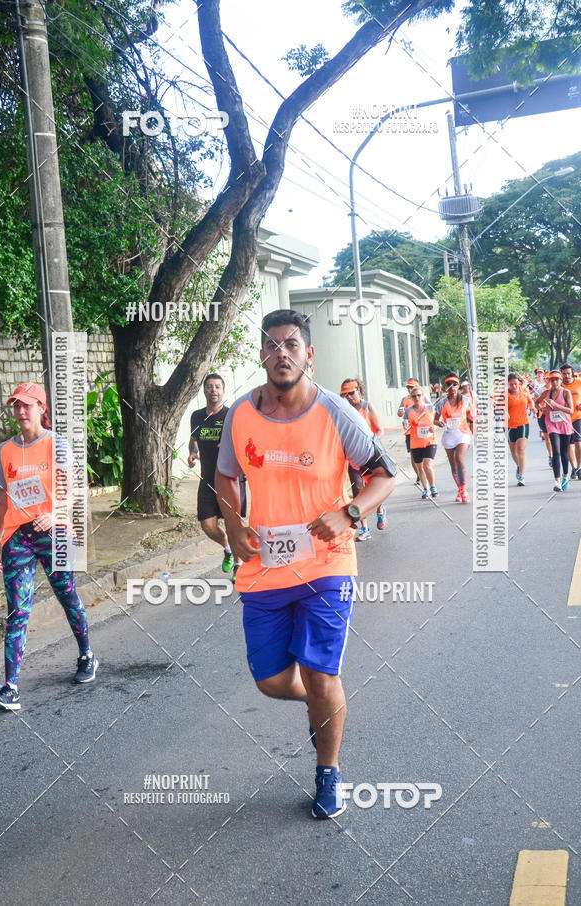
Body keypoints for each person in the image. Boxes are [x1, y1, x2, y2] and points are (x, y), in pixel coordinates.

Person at [215, 309, 396, 820]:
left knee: (320, 674)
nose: (282, 354)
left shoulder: (337, 412)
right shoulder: (240, 415)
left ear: (307, 354)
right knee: (271, 681)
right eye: (272, 345)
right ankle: (321, 702)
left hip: (327, 564)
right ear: (261, 355)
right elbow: (227, 477)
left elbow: (385, 475)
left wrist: (351, 512)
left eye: (292, 345)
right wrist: (234, 527)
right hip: (266, 566)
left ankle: (328, 772)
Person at [0, 382, 98, 712]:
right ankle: (10, 688)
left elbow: (75, 490)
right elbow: (2, 500)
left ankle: (87, 654)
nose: (21, 411)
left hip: (57, 533)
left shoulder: (56, 445)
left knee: (67, 595)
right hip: (18, 538)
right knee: (17, 611)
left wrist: (55, 513)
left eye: (27, 405)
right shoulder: (5, 450)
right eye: (16, 406)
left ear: (41, 409)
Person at [188, 373, 245, 581]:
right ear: (204, 391)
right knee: (208, 526)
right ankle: (228, 549)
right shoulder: (196, 416)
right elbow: (193, 439)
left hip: (230, 480)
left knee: (233, 525)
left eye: (217, 387)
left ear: (223, 391)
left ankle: (238, 566)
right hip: (207, 479)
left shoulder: (232, 415)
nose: (213, 390)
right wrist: (193, 452)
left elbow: (244, 444)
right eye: (210, 386)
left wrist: (231, 447)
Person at [340, 378, 388, 535]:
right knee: (358, 489)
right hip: (352, 456)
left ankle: (380, 509)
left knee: (373, 487)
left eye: (352, 393)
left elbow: (380, 430)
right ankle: (364, 527)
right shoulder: (344, 410)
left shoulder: (368, 407)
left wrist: (372, 443)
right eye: (346, 395)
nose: (350, 397)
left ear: (359, 390)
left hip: (370, 454)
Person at [434, 375, 474, 502]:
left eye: (455, 384)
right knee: (453, 465)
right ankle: (460, 489)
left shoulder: (466, 401)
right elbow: (435, 419)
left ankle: (463, 490)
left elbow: (471, 417)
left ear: (459, 386)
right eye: (449, 385)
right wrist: (439, 423)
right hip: (449, 435)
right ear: (446, 387)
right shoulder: (442, 403)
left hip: (463, 434)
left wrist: (474, 434)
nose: (452, 387)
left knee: (459, 458)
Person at [536, 371, 574, 491]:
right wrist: (541, 409)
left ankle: (565, 477)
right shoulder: (546, 393)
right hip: (552, 424)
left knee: (564, 452)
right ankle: (557, 481)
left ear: (561, 380)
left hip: (564, 424)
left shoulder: (566, 392)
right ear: (549, 381)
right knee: (556, 452)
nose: (554, 382)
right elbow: (536, 402)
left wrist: (556, 406)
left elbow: (571, 410)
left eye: (557, 379)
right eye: (552, 380)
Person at [404, 386, 438, 498]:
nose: (417, 398)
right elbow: (405, 425)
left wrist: (434, 428)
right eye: (414, 396)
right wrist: (409, 425)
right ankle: (425, 489)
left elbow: (435, 422)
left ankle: (433, 487)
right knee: (420, 468)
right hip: (416, 443)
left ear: (422, 396)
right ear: (411, 398)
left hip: (430, 441)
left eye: (419, 395)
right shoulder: (408, 411)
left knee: (427, 465)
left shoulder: (430, 408)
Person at [397, 378, 429, 488]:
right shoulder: (404, 399)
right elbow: (400, 413)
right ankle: (419, 475)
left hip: (422, 431)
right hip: (409, 432)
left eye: (411, 387)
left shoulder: (423, 398)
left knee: (425, 456)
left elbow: (431, 410)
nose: (409, 389)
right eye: (408, 387)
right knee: (413, 456)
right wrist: (400, 413)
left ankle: (426, 474)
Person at [506, 373, 535, 486]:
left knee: (520, 449)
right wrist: (503, 412)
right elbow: (500, 407)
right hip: (509, 425)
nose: (514, 386)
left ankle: (521, 476)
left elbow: (530, 401)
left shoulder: (524, 391)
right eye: (511, 384)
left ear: (519, 383)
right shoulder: (505, 394)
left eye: (516, 384)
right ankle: (519, 465)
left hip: (523, 423)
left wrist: (532, 408)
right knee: (513, 451)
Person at [560, 363, 581, 478]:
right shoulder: (559, 386)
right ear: (561, 375)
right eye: (564, 374)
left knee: (578, 442)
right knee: (568, 444)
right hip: (564, 418)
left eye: (568, 373)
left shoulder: (579, 382)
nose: (567, 376)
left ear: (572, 373)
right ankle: (573, 468)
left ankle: (579, 467)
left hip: (578, 416)